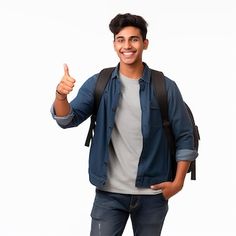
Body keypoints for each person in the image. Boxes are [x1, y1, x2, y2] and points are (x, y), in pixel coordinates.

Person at [51, 13, 198, 236]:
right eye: (120, 39)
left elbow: (185, 136)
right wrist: (60, 96)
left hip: (152, 194)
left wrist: (177, 183)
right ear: (114, 44)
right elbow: (67, 120)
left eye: (134, 39)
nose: (127, 46)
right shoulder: (99, 82)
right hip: (108, 194)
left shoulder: (165, 87)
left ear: (145, 43)